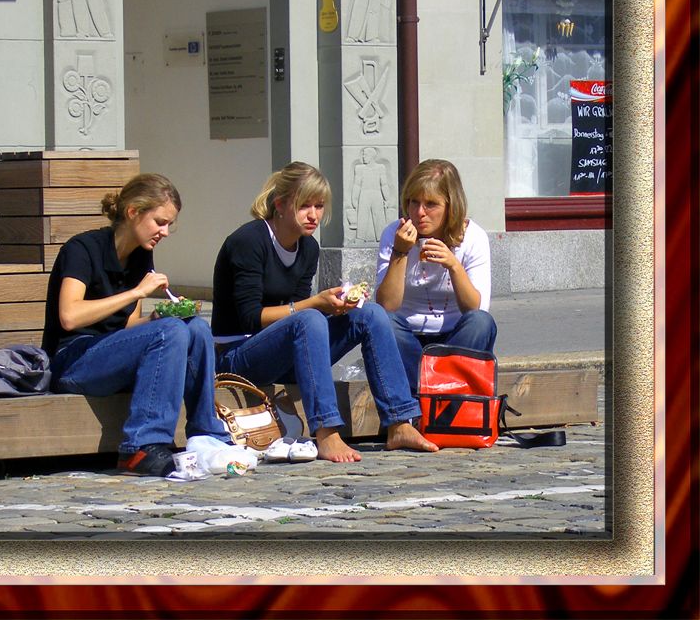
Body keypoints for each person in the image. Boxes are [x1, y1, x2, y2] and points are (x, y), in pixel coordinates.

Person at [210, 162, 438, 462]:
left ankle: (399, 422)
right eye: (305, 206)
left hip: (284, 349)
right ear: (280, 205)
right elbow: (251, 317)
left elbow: (301, 316)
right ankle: (327, 431)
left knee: (370, 314)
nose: (314, 215)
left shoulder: (308, 249)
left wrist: (337, 307)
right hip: (238, 354)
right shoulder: (249, 241)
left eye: (319, 206)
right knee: (311, 318)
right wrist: (316, 304)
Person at [41, 173, 232, 477]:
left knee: (193, 327)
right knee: (171, 331)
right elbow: (70, 316)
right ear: (133, 212)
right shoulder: (82, 249)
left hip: (111, 355)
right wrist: (137, 292)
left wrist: (160, 317)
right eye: (159, 222)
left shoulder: (141, 256)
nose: (165, 232)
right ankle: (142, 446)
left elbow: (129, 326)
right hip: (72, 361)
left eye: (169, 224)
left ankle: (206, 435)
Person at [375, 159, 497, 383]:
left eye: (430, 204)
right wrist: (400, 253)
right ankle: (437, 394)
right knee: (383, 323)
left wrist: (454, 266)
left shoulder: (473, 237)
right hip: (407, 334)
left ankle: (433, 393)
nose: (419, 212)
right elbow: (386, 306)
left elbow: (476, 308)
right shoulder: (394, 233)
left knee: (482, 323)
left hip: (454, 337)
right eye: (413, 202)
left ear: (451, 206)